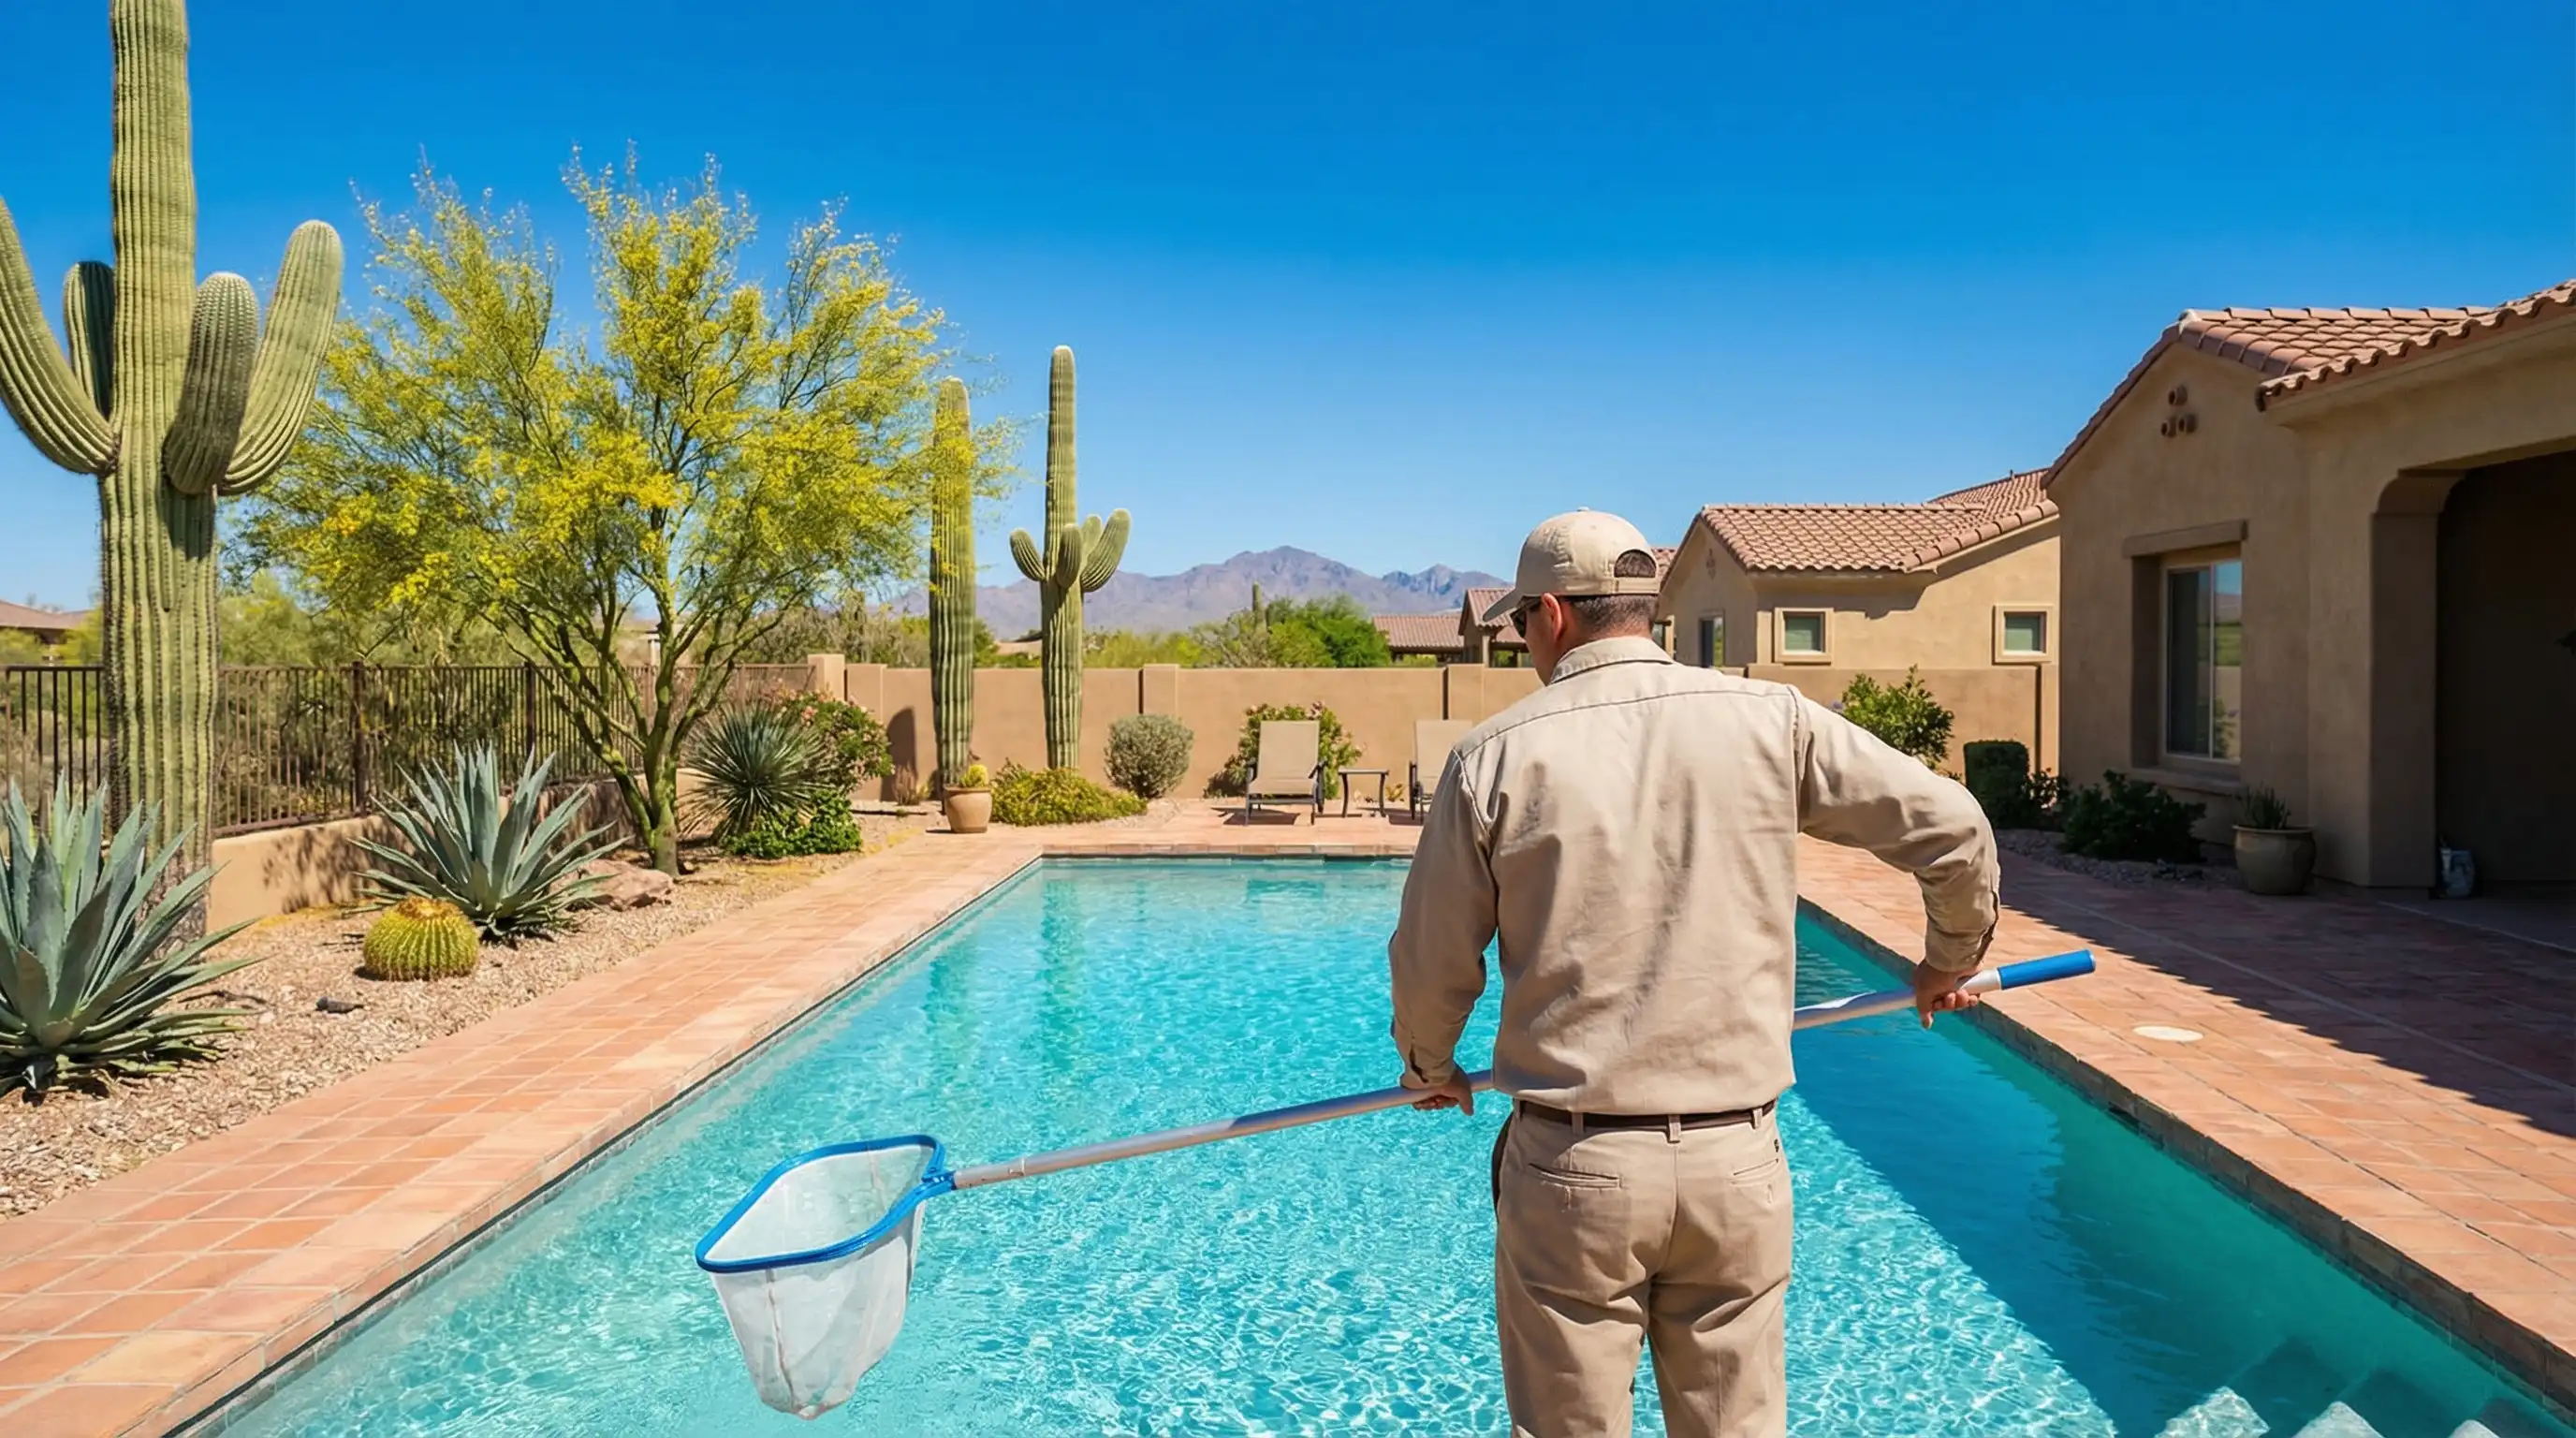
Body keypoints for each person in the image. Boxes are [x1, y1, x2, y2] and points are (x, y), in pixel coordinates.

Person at [1388, 510, 1999, 1438]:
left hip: (1575, 1166)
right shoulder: (1771, 720)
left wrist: (1430, 1065)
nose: (1523, 645)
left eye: (1519, 628)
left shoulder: (1494, 757)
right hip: (1735, 1162)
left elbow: (1435, 956)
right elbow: (1953, 831)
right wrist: (1945, 962)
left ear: (1550, 615)